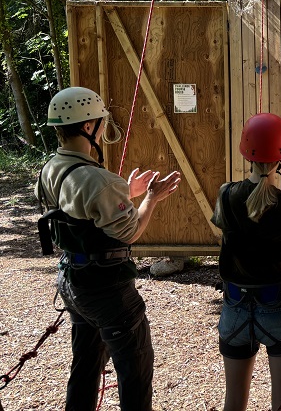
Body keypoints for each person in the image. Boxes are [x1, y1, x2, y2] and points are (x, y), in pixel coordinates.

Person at [36, 87, 181, 411]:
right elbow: (129, 231)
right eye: (101, 122)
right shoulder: (99, 180)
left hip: (73, 282)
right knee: (135, 372)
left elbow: (79, 210)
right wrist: (150, 198)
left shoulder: (50, 168)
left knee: (85, 367)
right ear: (88, 127)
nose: (103, 127)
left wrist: (124, 192)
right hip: (107, 291)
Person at [213, 113, 281, 411]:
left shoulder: (226, 194)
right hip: (280, 307)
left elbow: (229, 238)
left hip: (235, 306)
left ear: (247, 153)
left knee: (234, 402)